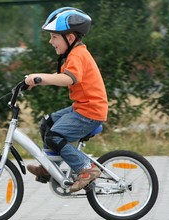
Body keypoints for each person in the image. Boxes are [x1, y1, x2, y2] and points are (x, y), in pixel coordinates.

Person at [25, 7, 108, 193]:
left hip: (90, 112)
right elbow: (62, 76)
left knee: (55, 136)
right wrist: (35, 81)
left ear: (69, 38)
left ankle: (86, 169)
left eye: (54, 37)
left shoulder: (78, 54)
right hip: (82, 108)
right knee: (46, 124)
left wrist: (40, 78)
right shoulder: (73, 54)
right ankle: (49, 168)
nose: (50, 41)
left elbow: (68, 79)